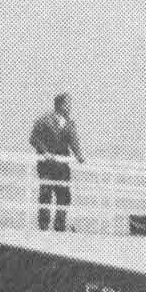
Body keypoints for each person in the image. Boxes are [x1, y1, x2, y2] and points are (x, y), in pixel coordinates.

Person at [31, 93, 85, 231]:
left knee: (64, 195)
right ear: (59, 105)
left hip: (62, 166)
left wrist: (79, 155)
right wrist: (45, 152)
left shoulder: (70, 123)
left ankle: (59, 226)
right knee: (45, 194)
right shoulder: (45, 120)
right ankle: (43, 226)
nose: (69, 107)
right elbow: (34, 138)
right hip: (46, 165)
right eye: (67, 104)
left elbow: (73, 141)